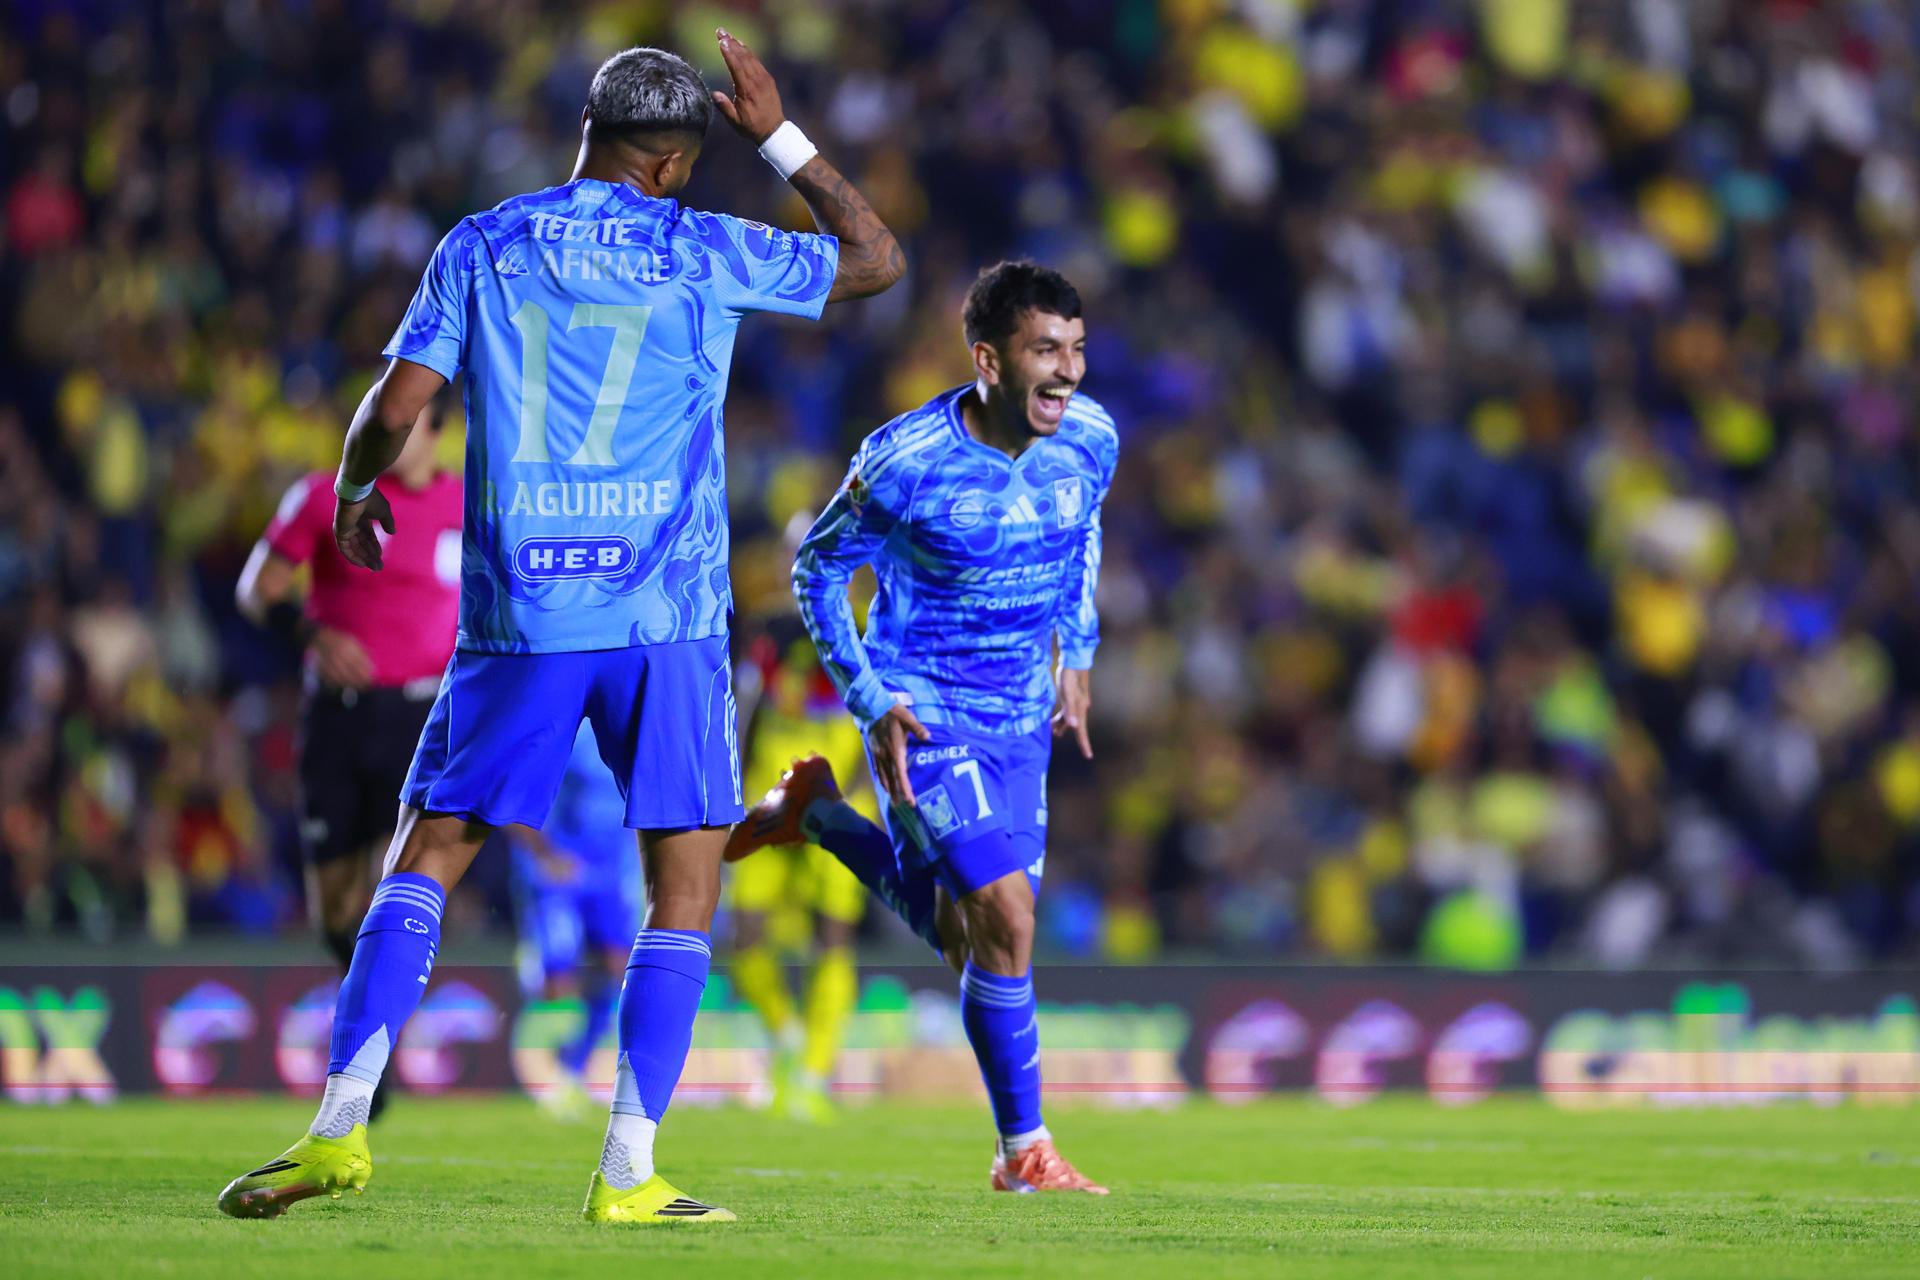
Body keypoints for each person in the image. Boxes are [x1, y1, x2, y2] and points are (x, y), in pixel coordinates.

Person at [217, 30, 902, 1224]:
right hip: (666, 619)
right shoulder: (701, 245)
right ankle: (628, 1170)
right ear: (674, 163)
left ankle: (337, 1129)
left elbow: (399, 404)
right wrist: (777, 135)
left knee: (429, 852)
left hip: (522, 614)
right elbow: (876, 258)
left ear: (587, 132)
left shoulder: (485, 242)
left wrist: (355, 488)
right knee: (685, 880)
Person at [731, 261, 1115, 1193]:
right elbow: (817, 571)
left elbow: (1083, 532)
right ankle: (1024, 1151)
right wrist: (868, 698)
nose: (1067, 371)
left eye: (1074, 349)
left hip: (1020, 716)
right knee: (1009, 919)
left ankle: (819, 815)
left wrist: (1077, 651)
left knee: (969, 945)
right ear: (988, 360)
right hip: (924, 709)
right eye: (1044, 351)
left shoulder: (1092, 438)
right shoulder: (904, 459)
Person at [236, 397, 459, 1017]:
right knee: (335, 910)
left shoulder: (470, 505)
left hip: (420, 723)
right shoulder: (323, 497)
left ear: (437, 430)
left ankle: (375, 1032)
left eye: (403, 425)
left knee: (398, 890)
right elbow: (256, 589)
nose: (387, 435)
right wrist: (313, 634)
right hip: (337, 717)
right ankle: (364, 1010)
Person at [723, 608, 876, 1122]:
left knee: (832, 935)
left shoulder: (858, 639)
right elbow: (744, 722)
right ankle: (785, 1032)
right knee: (745, 931)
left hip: (839, 806)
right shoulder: (769, 641)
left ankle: (814, 1071)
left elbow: (876, 730)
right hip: (769, 804)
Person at [507, 721, 642, 1122]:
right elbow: (513, 795)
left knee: (618, 968)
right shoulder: (565, 730)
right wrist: (544, 855)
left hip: (614, 872)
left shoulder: (634, 731)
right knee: (558, 980)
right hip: (561, 872)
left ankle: (572, 1069)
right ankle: (538, 1068)